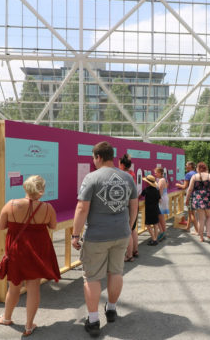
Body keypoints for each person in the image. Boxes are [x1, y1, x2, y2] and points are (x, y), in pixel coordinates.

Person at [72, 141, 138, 338]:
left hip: (97, 236)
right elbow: (133, 206)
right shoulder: (128, 178)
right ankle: (111, 309)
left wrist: (75, 235)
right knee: (116, 272)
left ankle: (92, 321)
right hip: (121, 233)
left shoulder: (92, 178)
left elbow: (82, 208)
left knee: (92, 277)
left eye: (94, 158)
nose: (93, 161)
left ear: (99, 157)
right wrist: (128, 226)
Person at [0, 175, 60, 337]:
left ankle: (7, 317)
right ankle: (29, 326)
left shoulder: (11, 205)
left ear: (25, 188)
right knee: (33, 287)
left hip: (17, 250)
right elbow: (52, 226)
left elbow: (1, 226)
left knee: (14, 287)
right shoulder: (48, 208)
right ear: (41, 190)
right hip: (39, 250)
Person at [185, 162, 210, 242]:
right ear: (206, 168)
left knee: (201, 219)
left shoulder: (194, 176)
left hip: (197, 199)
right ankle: (208, 233)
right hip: (208, 198)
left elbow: (190, 189)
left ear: (197, 168)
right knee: (209, 216)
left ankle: (201, 237)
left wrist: (187, 199)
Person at [119, 154, 139, 262]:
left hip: (127, 205)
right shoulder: (132, 174)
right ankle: (135, 250)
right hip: (134, 203)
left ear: (122, 164)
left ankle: (129, 255)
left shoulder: (122, 175)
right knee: (132, 230)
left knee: (128, 231)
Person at [176, 161, 198, 235]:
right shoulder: (196, 173)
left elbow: (185, 186)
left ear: (190, 166)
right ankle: (188, 227)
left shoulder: (188, 174)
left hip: (191, 195)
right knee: (190, 212)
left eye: (186, 165)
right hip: (197, 195)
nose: (185, 166)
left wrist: (178, 185)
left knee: (192, 214)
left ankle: (197, 230)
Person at [140, 175, 161, 246]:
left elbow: (140, 196)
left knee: (147, 224)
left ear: (148, 183)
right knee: (155, 224)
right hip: (156, 208)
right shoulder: (156, 190)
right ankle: (155, 238)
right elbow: (159, 199)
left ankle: (154, 239)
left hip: (149, 209)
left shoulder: (146, 190)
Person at [153, 167, 168, 241]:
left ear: (159, 173)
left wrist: (158, 199)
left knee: (160, 216)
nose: (155, 174)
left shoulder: (161, 180)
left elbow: (160, 192)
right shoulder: (162, 180)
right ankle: (163, 232)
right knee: (161, 216)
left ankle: (163, 232)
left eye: (156, 172)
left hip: (161, 199)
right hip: (163, 198)